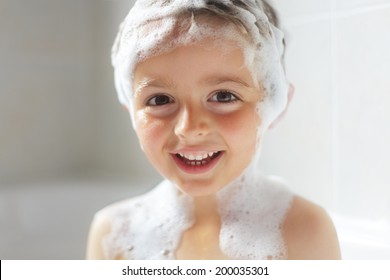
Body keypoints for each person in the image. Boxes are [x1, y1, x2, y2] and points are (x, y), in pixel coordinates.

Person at [86, 0, 341, 260]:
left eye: (223, 96)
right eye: (160, 100)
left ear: (275, 105)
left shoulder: (304, 231)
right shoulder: (113, 233)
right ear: (131, 110)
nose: (188, 128)